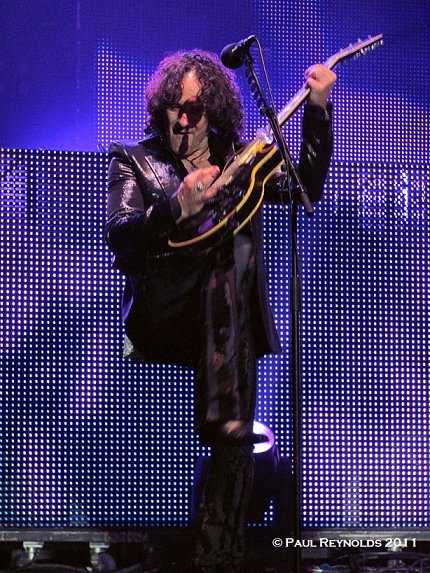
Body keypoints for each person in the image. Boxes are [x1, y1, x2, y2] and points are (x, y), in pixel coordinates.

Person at [105, 49, 336, 573]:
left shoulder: (243, 163)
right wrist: (174, 208)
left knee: (234, 261)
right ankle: (228, 424)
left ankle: (220, 552)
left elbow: (306, 187)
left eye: (195, 109)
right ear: (161, 108)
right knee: (226, 275)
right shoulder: (134, 160)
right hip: (167, 312)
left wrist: (318, 108)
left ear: (215, 112)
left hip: (227, 328)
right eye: (175, 108)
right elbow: (121, 237)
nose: (183, 120)